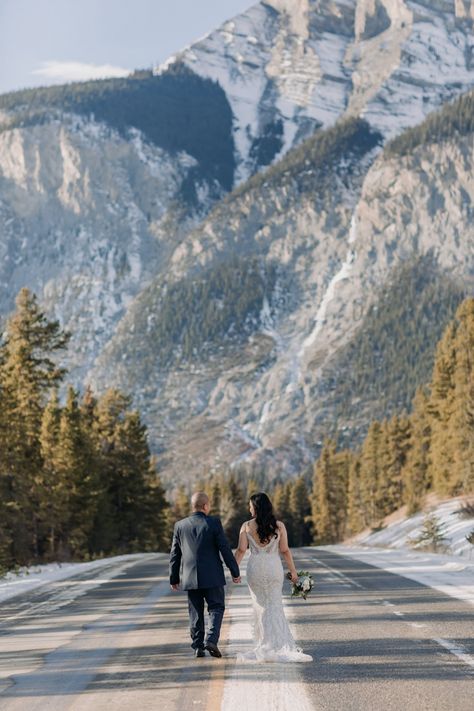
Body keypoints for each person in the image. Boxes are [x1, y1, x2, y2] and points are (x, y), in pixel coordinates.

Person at [234, 491, 312, 662]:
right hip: (273, 568)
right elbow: (284, 550)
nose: (249, 509)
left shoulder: (246, 526)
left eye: (250, 506)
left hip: (255, 569)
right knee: (275, 604)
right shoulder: (279, 526)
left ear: (255, 507)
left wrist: (234, 571)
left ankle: (264, 644)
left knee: (260, 606)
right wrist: (293, 572)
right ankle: (278, 643)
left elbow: (241, 551)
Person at [169, 491, 241, 658]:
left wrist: (174, 578)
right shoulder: (213, 523)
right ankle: (211, 640)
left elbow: (175, 554)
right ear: (206, 506)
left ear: (193, 506)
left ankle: (197, 646)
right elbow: (224, 548)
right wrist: (234, 571)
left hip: (189, 577)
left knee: (195, 611)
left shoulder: (180, 526)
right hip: (212, 575)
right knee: (216, 607)